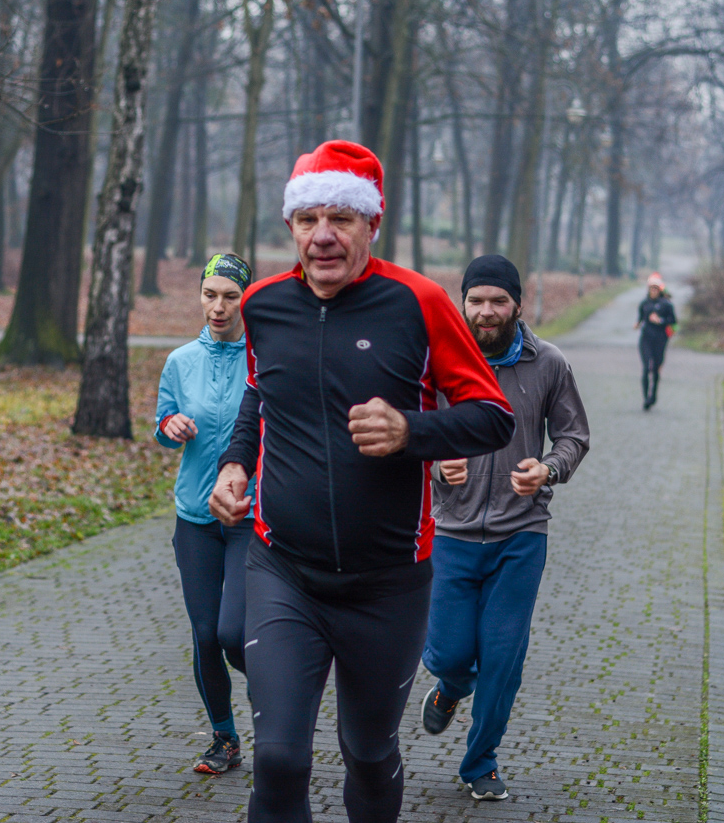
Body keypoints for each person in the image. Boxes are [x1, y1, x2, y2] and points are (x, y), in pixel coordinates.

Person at [208, 140, 515, 823]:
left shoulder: (420, 302)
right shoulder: (263, 306)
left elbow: (494, 416)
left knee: (369, 753)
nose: (323, 235)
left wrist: (413, 432)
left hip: (387, 584)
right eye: (308, 218)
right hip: (284, 570)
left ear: (370, 225)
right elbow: (259, 394)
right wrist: (234, 462)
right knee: (280, 759)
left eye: (341, 218)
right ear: (290, 226)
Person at [420, 255, 590, 802]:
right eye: (476, 301)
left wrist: (549, 468)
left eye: (498, 301)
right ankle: (451, 687)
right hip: (453, 530)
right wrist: (434, 460)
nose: (486, 311)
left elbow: (573, 436)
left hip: (522, 536)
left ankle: (481, 763)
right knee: (448, 653)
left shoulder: (549, 363)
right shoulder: (440, 361)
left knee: (502, 659)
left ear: (517, 303)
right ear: (461, 302)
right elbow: (412, 429)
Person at [154, 253, 256, 775]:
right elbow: (162, 417)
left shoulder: (263, 359)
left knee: (234, 634)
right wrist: (170, 424)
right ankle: (224, 737)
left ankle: (276, 694)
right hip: (194, 515)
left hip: (248, 515)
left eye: (230, 296)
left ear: (245, 299)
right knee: (204, 633)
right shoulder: (179, 361)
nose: (218, 306)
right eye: (210, 294)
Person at [634, 272, 676, 410]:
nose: (653, 291)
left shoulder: (666, 305)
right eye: (651, 289)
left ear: (659, 290)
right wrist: (638, 323)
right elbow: (641, 317)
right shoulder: (644, 303)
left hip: (660, 340)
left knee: (657, 368)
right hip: (646, 339)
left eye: (655, 289)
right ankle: (646, 398)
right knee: (646, 368)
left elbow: (673, 321)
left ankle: (654, 395)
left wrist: (661, 321)